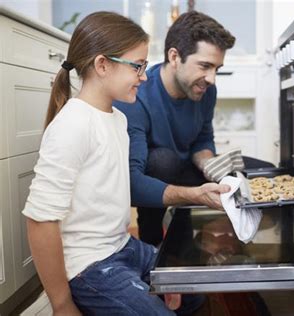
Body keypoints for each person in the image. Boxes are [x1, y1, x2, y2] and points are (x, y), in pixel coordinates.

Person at [22, 11, 215, 316]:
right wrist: (61, 303)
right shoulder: (72, 125)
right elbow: (39, 221)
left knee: (193, 293)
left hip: (122, 246)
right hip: (90, 265)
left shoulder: (119, 118)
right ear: (102, 65)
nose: (144, 76)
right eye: (138, 66)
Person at [114, 10, 274, 247]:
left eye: (216, 69)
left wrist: (207, 163)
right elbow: (132, 183)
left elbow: (202, 139)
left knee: (266, 172)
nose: (211, 79)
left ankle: (223, 238)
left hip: (187, 168)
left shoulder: (206, 90)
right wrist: (194, 195)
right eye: (205, 66)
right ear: (175, 56)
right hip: (156, 179)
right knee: (162, 160)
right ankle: (156, 243)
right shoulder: (137, 97)